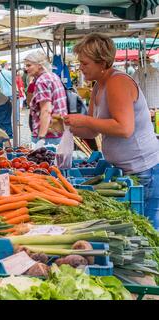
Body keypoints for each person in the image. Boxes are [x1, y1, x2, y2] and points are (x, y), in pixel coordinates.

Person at [65, 33, 159, 229]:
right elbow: (91, 131)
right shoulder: (99, 86)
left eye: (85, 63)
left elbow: (124, 128)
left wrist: (84, 119)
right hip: (126, 169)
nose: (80, 68)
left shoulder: (118, 82)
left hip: (143, 170)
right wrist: (67, 128)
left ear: (102, 62)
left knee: (148, 228)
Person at [24, 51, 68, 147]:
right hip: (58, 130)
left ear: (39, 65)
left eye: (29, 65)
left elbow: (46, 110)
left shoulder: (42, 80)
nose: (26, 69)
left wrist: (41, 138)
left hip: (48, 135)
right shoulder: (53, 76)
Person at [0, 63, 14, 139]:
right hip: (11, 93)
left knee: (1, 116)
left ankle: (4, 133)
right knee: (8, 115)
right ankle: (9, 133)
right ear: (6, 65)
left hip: (2, 95)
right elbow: (14, 82)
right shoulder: (10, 73)